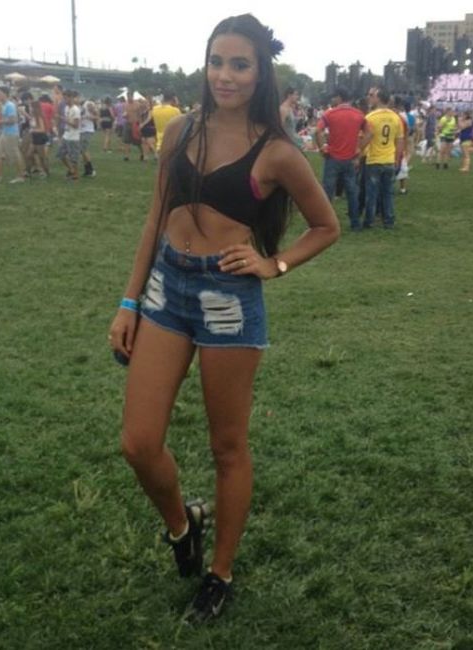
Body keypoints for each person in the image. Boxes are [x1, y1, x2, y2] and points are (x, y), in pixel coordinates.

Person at [108, 13, 339, 624]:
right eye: (217, 61)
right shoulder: (181, 130)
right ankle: (183, 523)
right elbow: (154, 219)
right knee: (138, 443)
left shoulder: (278, 151)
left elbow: (326, 226)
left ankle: (220, 573)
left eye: (240, 64)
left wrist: (274, 265)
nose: (225, 75)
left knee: (228, 446)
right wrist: (129, 302)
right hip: (166, 289)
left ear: (261, 72)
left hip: (228, 302)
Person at [315, 86, 368, 230]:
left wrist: (322, 147)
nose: (332, 100)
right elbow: (370, 133)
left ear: (339, 97)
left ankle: (325, 222)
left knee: (328, 191)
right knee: (352, 192)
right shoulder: (358, 114)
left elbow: (317, 130)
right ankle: (355, 223)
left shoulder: (330, 113)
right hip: (350, 158)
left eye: (334, 97)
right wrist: (359, 149)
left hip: (333, 157)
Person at [363, 87, 404, 229]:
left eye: (373, 96)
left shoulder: (370, 117)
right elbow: (400, 141)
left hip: (374, 159)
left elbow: (365, 137)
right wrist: (397, 159)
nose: (371, 99)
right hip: (389, 159)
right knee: (388, 193)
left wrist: (359, 152)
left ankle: (369, 221)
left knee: (372, 193)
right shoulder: (396, 118)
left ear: (379, 99)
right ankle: (389, 220)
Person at [0, 86, 25, 184]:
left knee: (15, 154)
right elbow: (4, 117)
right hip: (5, 132)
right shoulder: (4, 105)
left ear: (5, 94)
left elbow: (13, 120)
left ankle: (21, 176)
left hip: (11, 133)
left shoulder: (10, 105)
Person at [57, 90, 81, 180]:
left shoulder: (76, 110)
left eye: (66, 98)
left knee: (73, 158)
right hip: (66, 135)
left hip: (73, 137)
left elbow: (76, 125)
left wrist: (64, 120)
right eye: (64, 98)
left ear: (71, 98)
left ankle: (75, 175)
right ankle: (71, 170)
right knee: (61, 155)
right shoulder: (66, 108)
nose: (65, 100)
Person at [29, 101, 50, 177]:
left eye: (31, 107)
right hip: (34, 138)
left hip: (40, 138)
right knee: (29, 154)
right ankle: (36, 168)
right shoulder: (33, 117)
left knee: (42, 157)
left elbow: (42, 129)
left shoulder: (39, 117)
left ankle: (46, 172)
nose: (30, 108)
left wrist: (33, 130)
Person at [79, 94, 97, 177]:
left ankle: (91, 169)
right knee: (82, 150)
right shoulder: (79, 106)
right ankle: (87, 169)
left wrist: (90, 117)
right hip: (81, 130)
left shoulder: (88, 104)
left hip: (87, 130)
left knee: (83, 149)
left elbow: (96, 116)